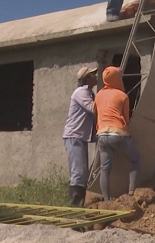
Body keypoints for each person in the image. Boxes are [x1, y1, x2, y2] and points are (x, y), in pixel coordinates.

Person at [94, 66, 141, 200]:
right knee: (135, 160)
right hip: (118, 134)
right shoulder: (122, 96)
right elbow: (126, 119)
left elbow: (95, 112)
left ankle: (107, 200)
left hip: (102, 135)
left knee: (105, 169)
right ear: (116, 79)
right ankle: (131, 192)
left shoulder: (98, 95)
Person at [63, 66, 98, 207]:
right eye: (93, 75)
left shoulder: (89, 93)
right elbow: (93, 109)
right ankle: (74, 207)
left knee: (82, 173)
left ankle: (79, 206)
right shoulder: (81, 92)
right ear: (87, 78)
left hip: (80, 137)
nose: (96, 76)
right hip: (74, 136)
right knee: (78, 173)